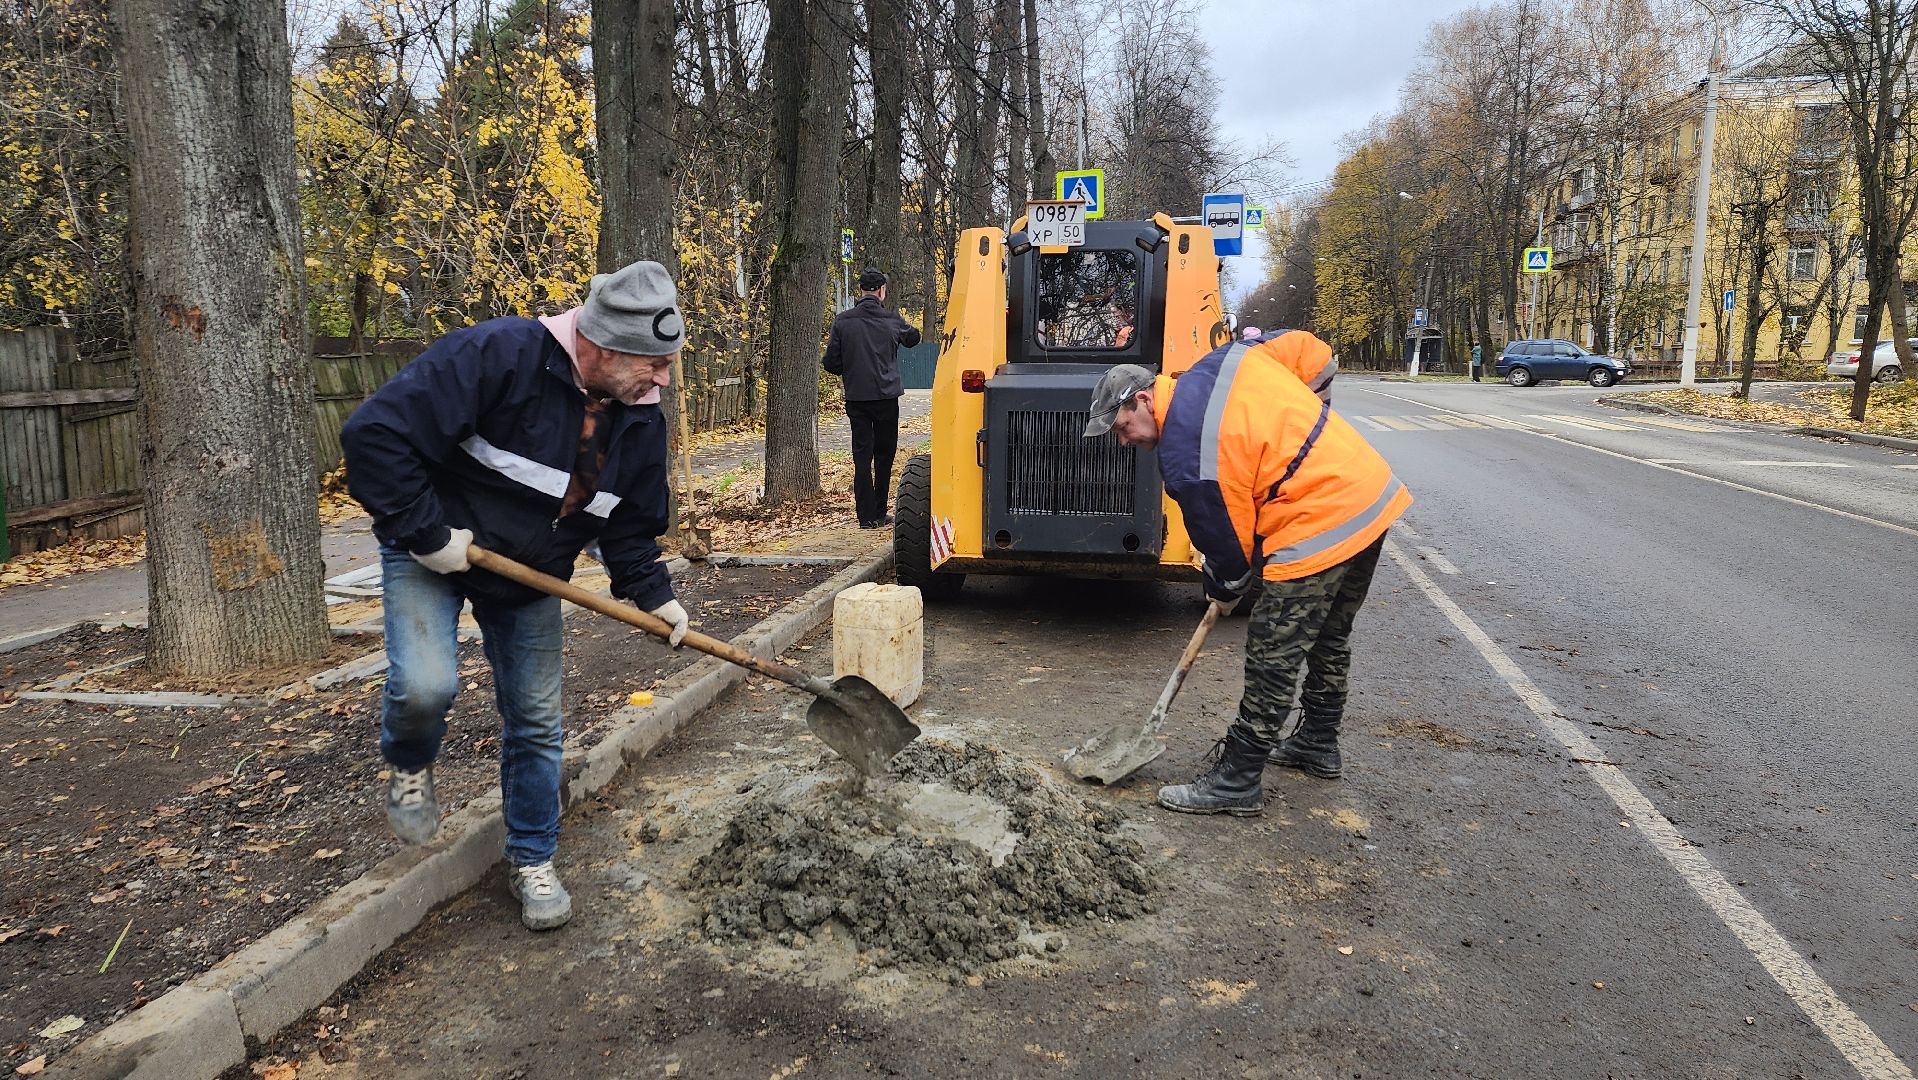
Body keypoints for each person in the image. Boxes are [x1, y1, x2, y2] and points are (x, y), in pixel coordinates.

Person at [341, 260, 691, 930]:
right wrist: (425, 531)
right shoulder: (497, 355)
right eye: (654, 364)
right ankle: (411, 763)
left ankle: (532, 857)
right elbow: (374, 436)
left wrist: (655, 595)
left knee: (535, 723)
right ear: (606, 349)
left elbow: (628, 522)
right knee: (425, 686)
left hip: (531, 573)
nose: (663, 380)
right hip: (436, 547)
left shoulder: (640, 417)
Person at [1083, 330, 1411, 817]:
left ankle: (1237, 779)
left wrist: (1223, 586)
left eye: (1120, 424)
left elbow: (1231, 559)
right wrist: (1312, 420)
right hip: (1367, 491)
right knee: (1327, 634)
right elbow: (1315, 355)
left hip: (1316, 519)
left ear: (1145, 398)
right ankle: (1318, 744)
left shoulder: (1185, 457)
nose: (1120, 437)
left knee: (1272, 652)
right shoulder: (1223, 360)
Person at [823, 268, 922, 529]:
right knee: (885, 454)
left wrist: (853, 367)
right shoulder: (892, 320)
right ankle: (880, 510)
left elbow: (830, 362)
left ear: (861, 291)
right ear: (881, 291)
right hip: (886, 397)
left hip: (857, 397)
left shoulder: (843, 322)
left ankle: (866, 517)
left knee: (862, 455)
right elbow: (914, 338)